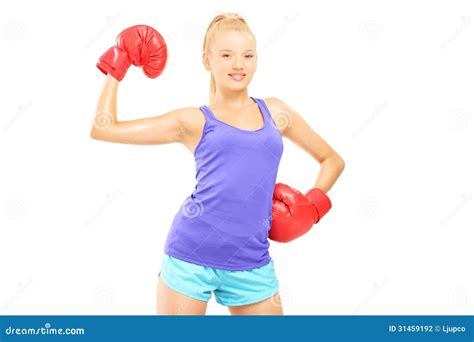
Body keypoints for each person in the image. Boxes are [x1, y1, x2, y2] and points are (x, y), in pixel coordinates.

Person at [90, 13, 344, 316]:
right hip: (190, 259)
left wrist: (311, 207)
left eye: (248, 56)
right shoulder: (192, 121)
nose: (239, 65)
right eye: (226, 55)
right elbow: (104, 128)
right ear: (207, 59)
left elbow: (332, 160)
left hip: (252, 262)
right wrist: (117, 67)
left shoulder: (276, 113)